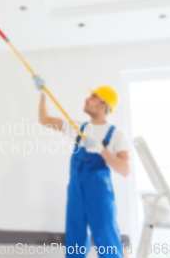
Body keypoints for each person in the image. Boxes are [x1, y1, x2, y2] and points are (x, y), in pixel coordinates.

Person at [34, 76, 130, 258]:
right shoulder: (78, 127)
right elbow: (45, 120)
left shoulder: (116, 134)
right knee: (75, 242)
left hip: (99, 192)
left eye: (92, 97)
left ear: (103, 106)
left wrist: (102, 150)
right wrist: (42, 94)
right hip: (76, 190)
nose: (87, 99)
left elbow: (125, 170)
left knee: (107, 241)